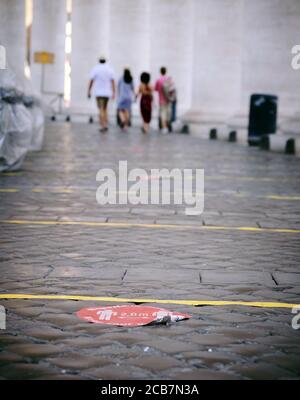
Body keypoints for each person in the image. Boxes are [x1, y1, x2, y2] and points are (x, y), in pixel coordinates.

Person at [87, 57, 115, 133]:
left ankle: (103, 125)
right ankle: (105, 124)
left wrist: (89, 91)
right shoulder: (109, 69)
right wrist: (113, 92)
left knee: (101, 109)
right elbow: (113, 81)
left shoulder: (96, 69)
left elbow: (91, 80)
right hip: (107, 93)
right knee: (105, 109)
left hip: (99, 93)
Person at [154, 67, 176, 134]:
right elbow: (173, 88)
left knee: (163, 114)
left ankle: (164, 127)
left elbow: (156, 89)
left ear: (160, 72)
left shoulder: (158, 80)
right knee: (168, 114)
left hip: (162, 100)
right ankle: (167, 126)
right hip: (169, 99)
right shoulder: (169, 79)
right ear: (165, 71)